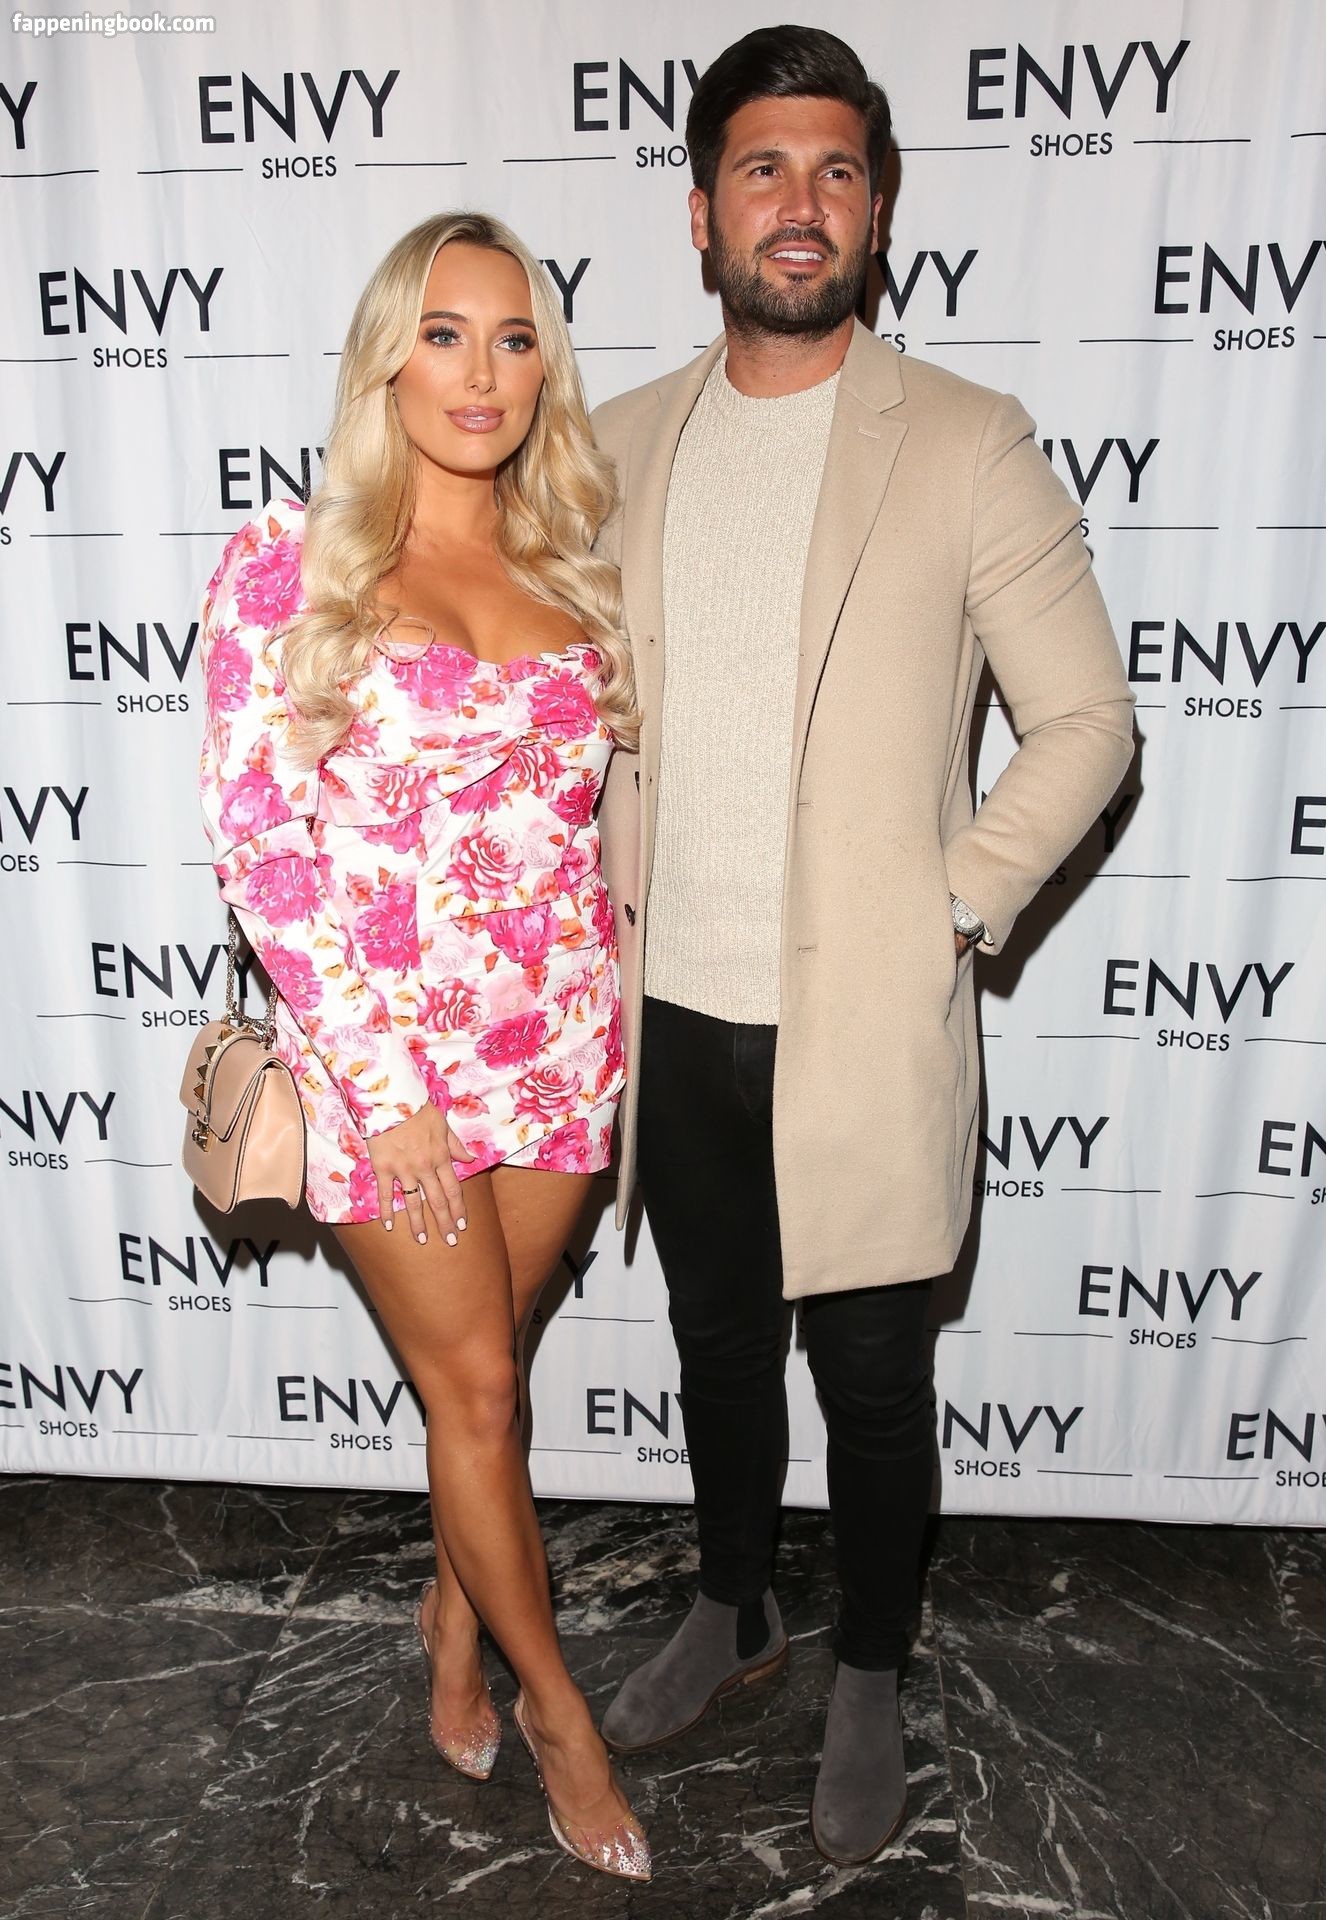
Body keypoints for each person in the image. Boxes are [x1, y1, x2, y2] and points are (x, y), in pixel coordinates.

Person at [590, 25, 1137, 1868]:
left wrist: (952, 904)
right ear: (701, 212)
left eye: (835, 170)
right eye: (761, 168)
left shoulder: (965, 441)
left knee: (876, 1383)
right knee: (714, 1344)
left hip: (863, 1023)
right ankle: (733, 1602)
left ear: (878, 210)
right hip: (672, 1007)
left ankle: (872, 1669)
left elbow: (1086, 722)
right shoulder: (613, 446)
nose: (799, 203)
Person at [196, 211, 650, 1884]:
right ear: (387, 359)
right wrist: (383, 1096)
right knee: (474, 1388)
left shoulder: (573, 568)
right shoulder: (289, 559)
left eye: (514, 338)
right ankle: (557, 1712)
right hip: (387, 1073)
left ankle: (451, 1626)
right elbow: (263, 848)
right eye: (444, 334)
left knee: (489, 1382)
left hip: (559, 1049)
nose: (481, 372)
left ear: (545, 371)